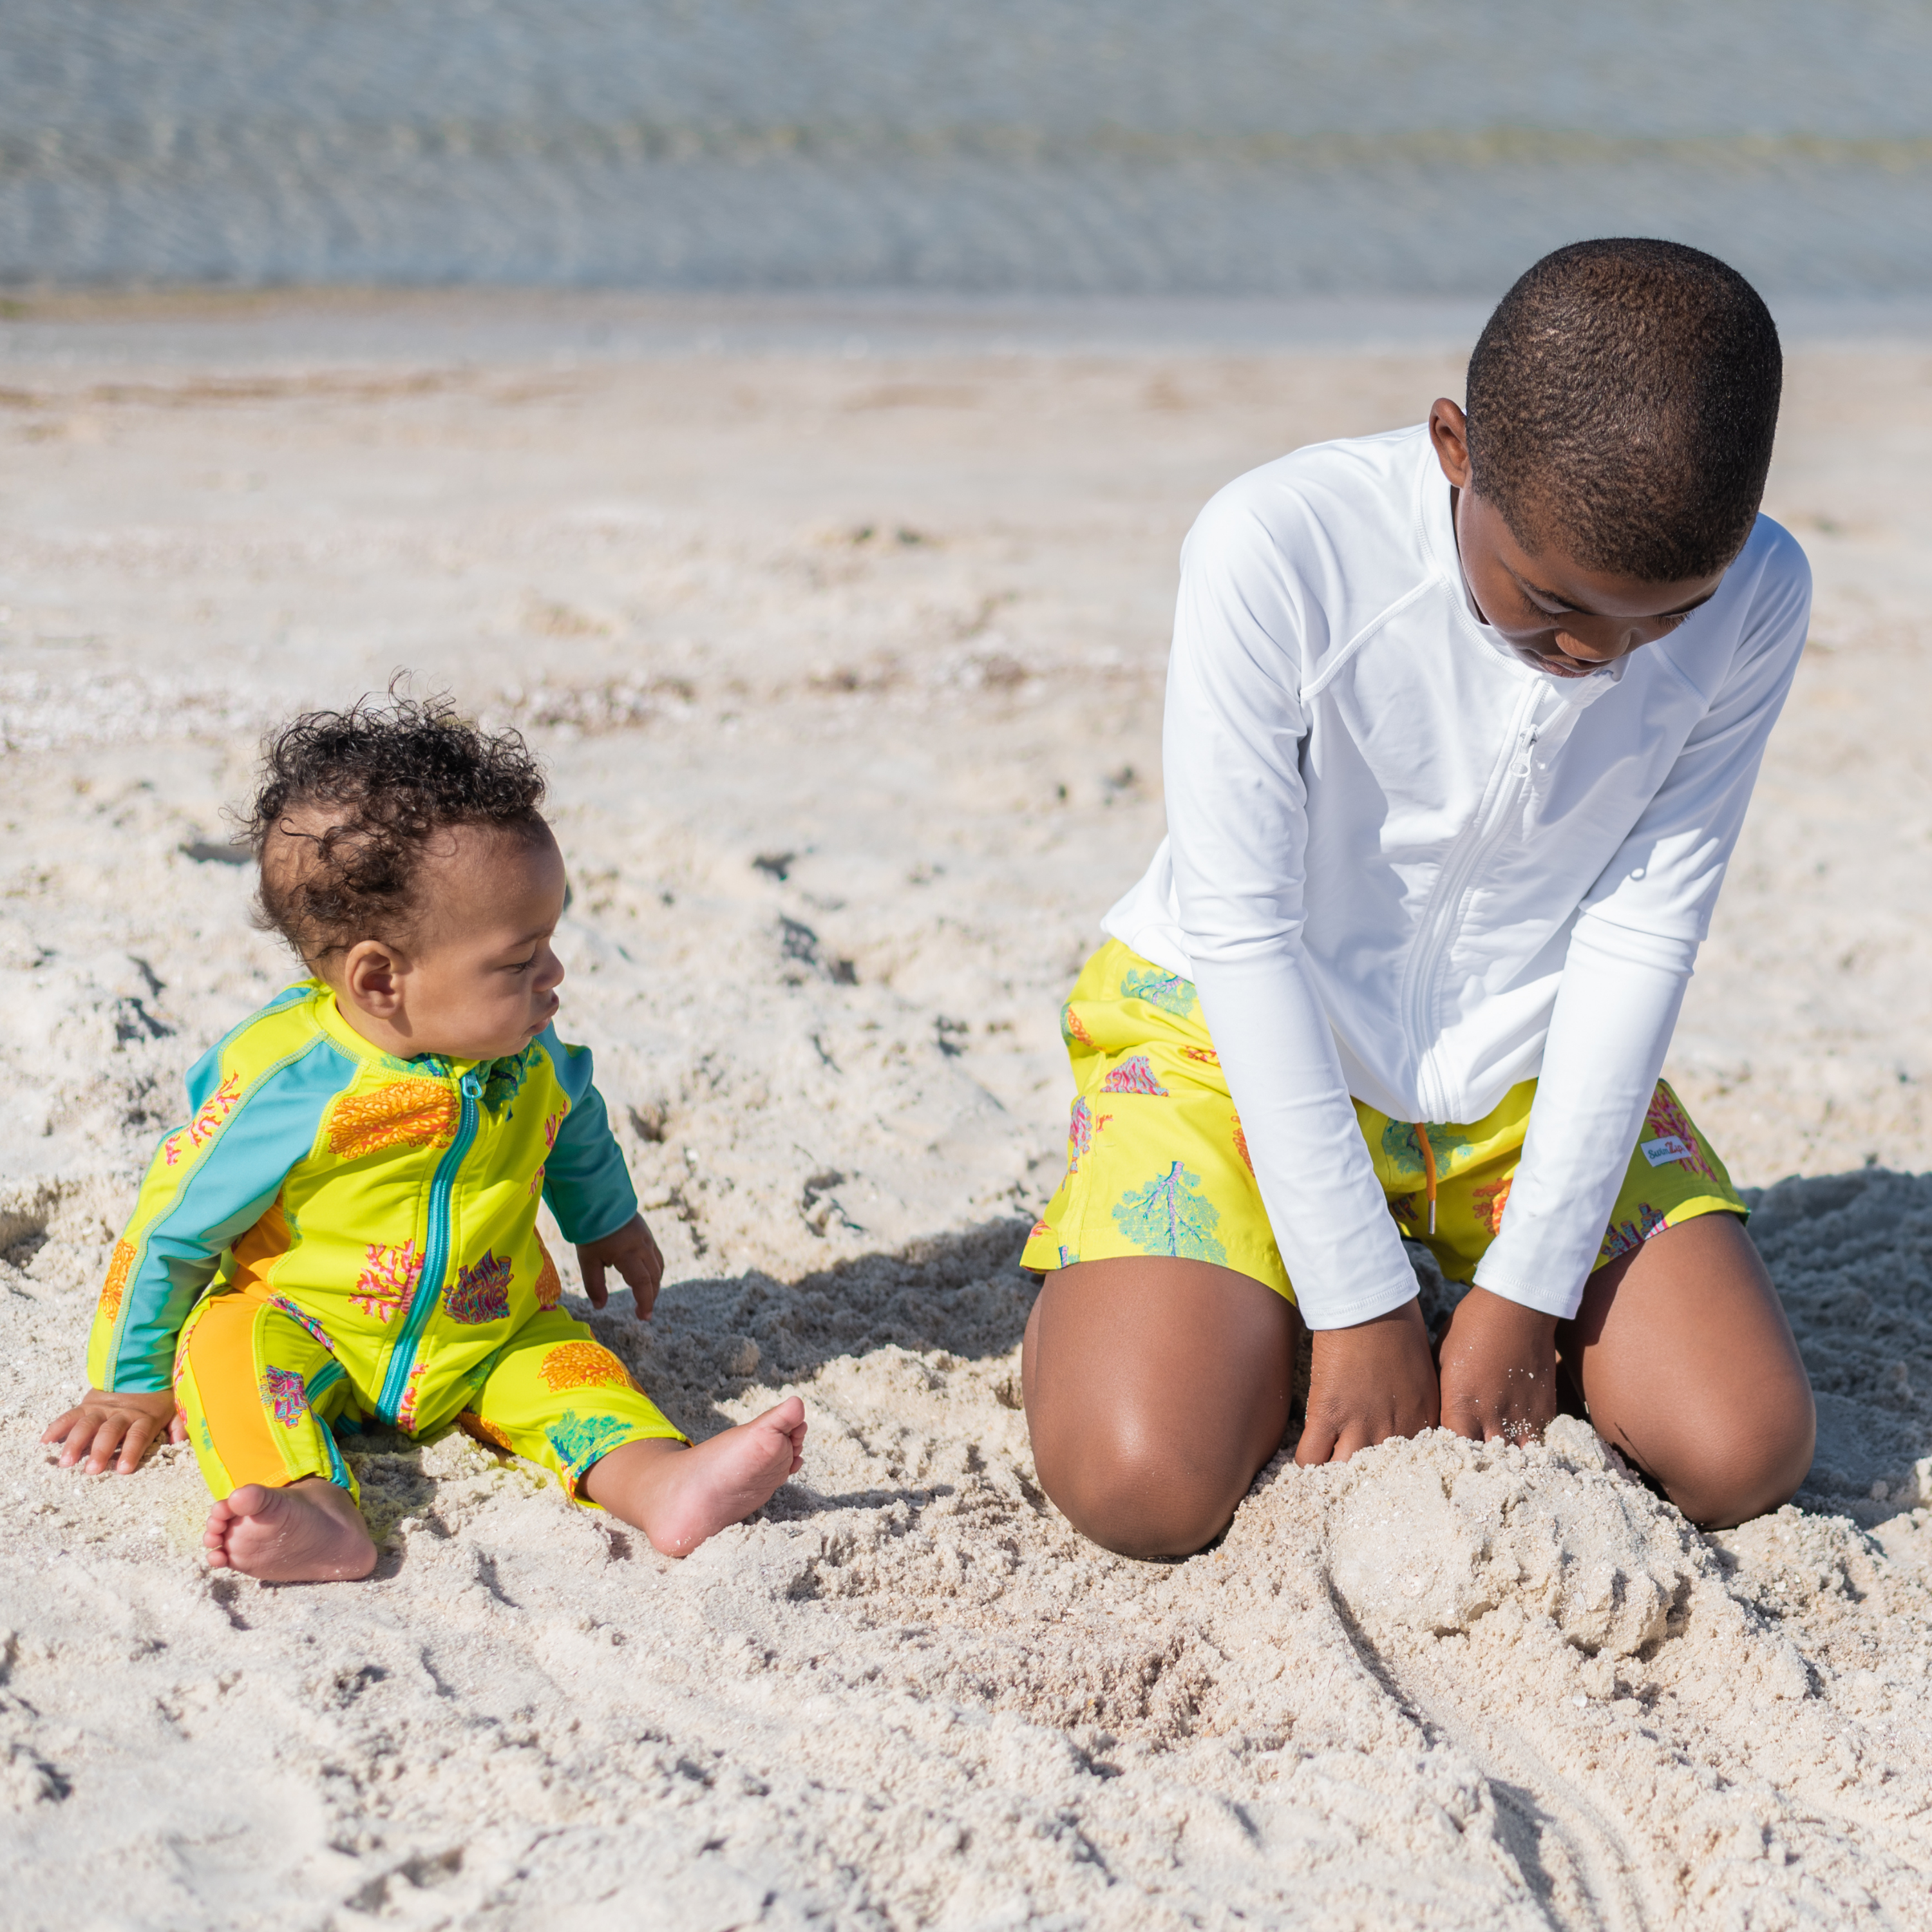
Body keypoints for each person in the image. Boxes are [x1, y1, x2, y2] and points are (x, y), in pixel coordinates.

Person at [1020, 238, 1818, 1558]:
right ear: (1456, 447)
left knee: (1742, 1449)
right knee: (1144, 1482)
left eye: (1659, 623)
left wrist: (1526, 1286)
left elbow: (1642, 926)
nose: (1595, 661)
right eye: (1553, 608)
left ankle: (1374, 1270)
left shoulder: (1762, 595)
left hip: (1522, 1066)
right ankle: (1168, 1276)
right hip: (1232, 1028)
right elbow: (1244, 925)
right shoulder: (1277, 546)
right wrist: (1352, 1300)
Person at [43, 696, 806, 1580]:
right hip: (307, 1324)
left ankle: (660, 1482)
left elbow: (577, 1125)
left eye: (550, 945)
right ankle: (316, 1509)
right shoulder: (288, 1082)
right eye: (521, 961)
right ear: (380, 979)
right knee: (221, 1353)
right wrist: (125, 1381)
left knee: (573, 1373)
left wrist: (606, 1221)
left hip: (490, 1323)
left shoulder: (531, 1053)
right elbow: (173, 1227)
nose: (554, 976)